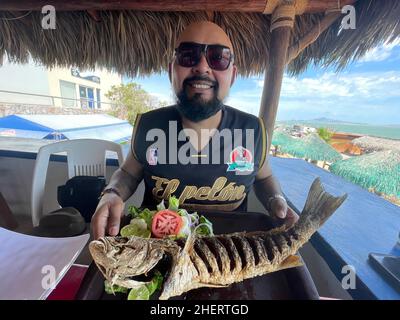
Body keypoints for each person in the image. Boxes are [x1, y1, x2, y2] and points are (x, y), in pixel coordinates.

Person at [91, 21, 299, 239]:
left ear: (233, 75)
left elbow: (264, 178)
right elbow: (127, 174)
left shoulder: (252, 129)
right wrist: (111, 193)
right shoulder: (149, 125)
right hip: (155, 251)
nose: (202, 66)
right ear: (172, 70)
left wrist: (276, 199)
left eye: (218, 57)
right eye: (188, 55)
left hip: (228, 254)